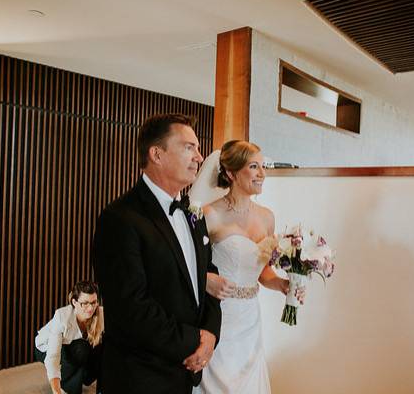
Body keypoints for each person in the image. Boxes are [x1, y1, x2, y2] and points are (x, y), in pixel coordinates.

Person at [92, 114, 222, 394]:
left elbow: (208, 274)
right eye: (189, 147)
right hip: (141, 376)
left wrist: (211, 333)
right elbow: (131, 307)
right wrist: (193, 341)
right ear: (157, 154)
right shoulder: (120, 218)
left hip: (186, 372)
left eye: (198, 149)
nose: (199, 157)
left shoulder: (193, 213)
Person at [189, 140, 304, 394]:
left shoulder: (267, 217)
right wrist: (207, 278)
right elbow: (191, 267)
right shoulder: (210, 214)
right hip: (219, 316)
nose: (262, 174)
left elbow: (263, 271)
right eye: (254, 166)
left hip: (250, 320)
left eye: (262, 166)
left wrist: (283, 285)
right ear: (231, 173)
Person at [35, 280, 104, 394]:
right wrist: (56, 391)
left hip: (75, 348)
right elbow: (53, 356)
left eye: (93, 302)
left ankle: (86, 378)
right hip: (45, 348)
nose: (90, 308)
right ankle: (68, 388)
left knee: (104, 346)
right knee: (81, 348)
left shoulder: (100, 314)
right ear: (74, 302)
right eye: (85, 303)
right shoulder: (62, 317)